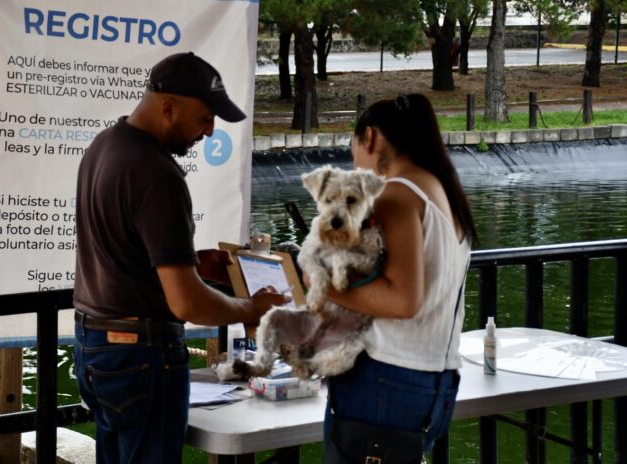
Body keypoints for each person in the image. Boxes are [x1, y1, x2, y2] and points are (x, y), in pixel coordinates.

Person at [73, 52, 289, 464]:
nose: (209, 132)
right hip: (140, 356)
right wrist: (251, 308)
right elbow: (186, 303)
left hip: (96, 348)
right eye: (205, 117)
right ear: (168, 107)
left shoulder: (105, 145)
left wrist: (190, 262)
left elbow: (121, 248)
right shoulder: (158, 174)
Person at [322, 93, 477, 459]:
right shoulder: (445, 195)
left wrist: (322, 286)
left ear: (371, 137)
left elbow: (403, 300)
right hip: (434, 383)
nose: (354, 162)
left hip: (384, 379)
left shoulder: (395, 196)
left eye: (354, 147)